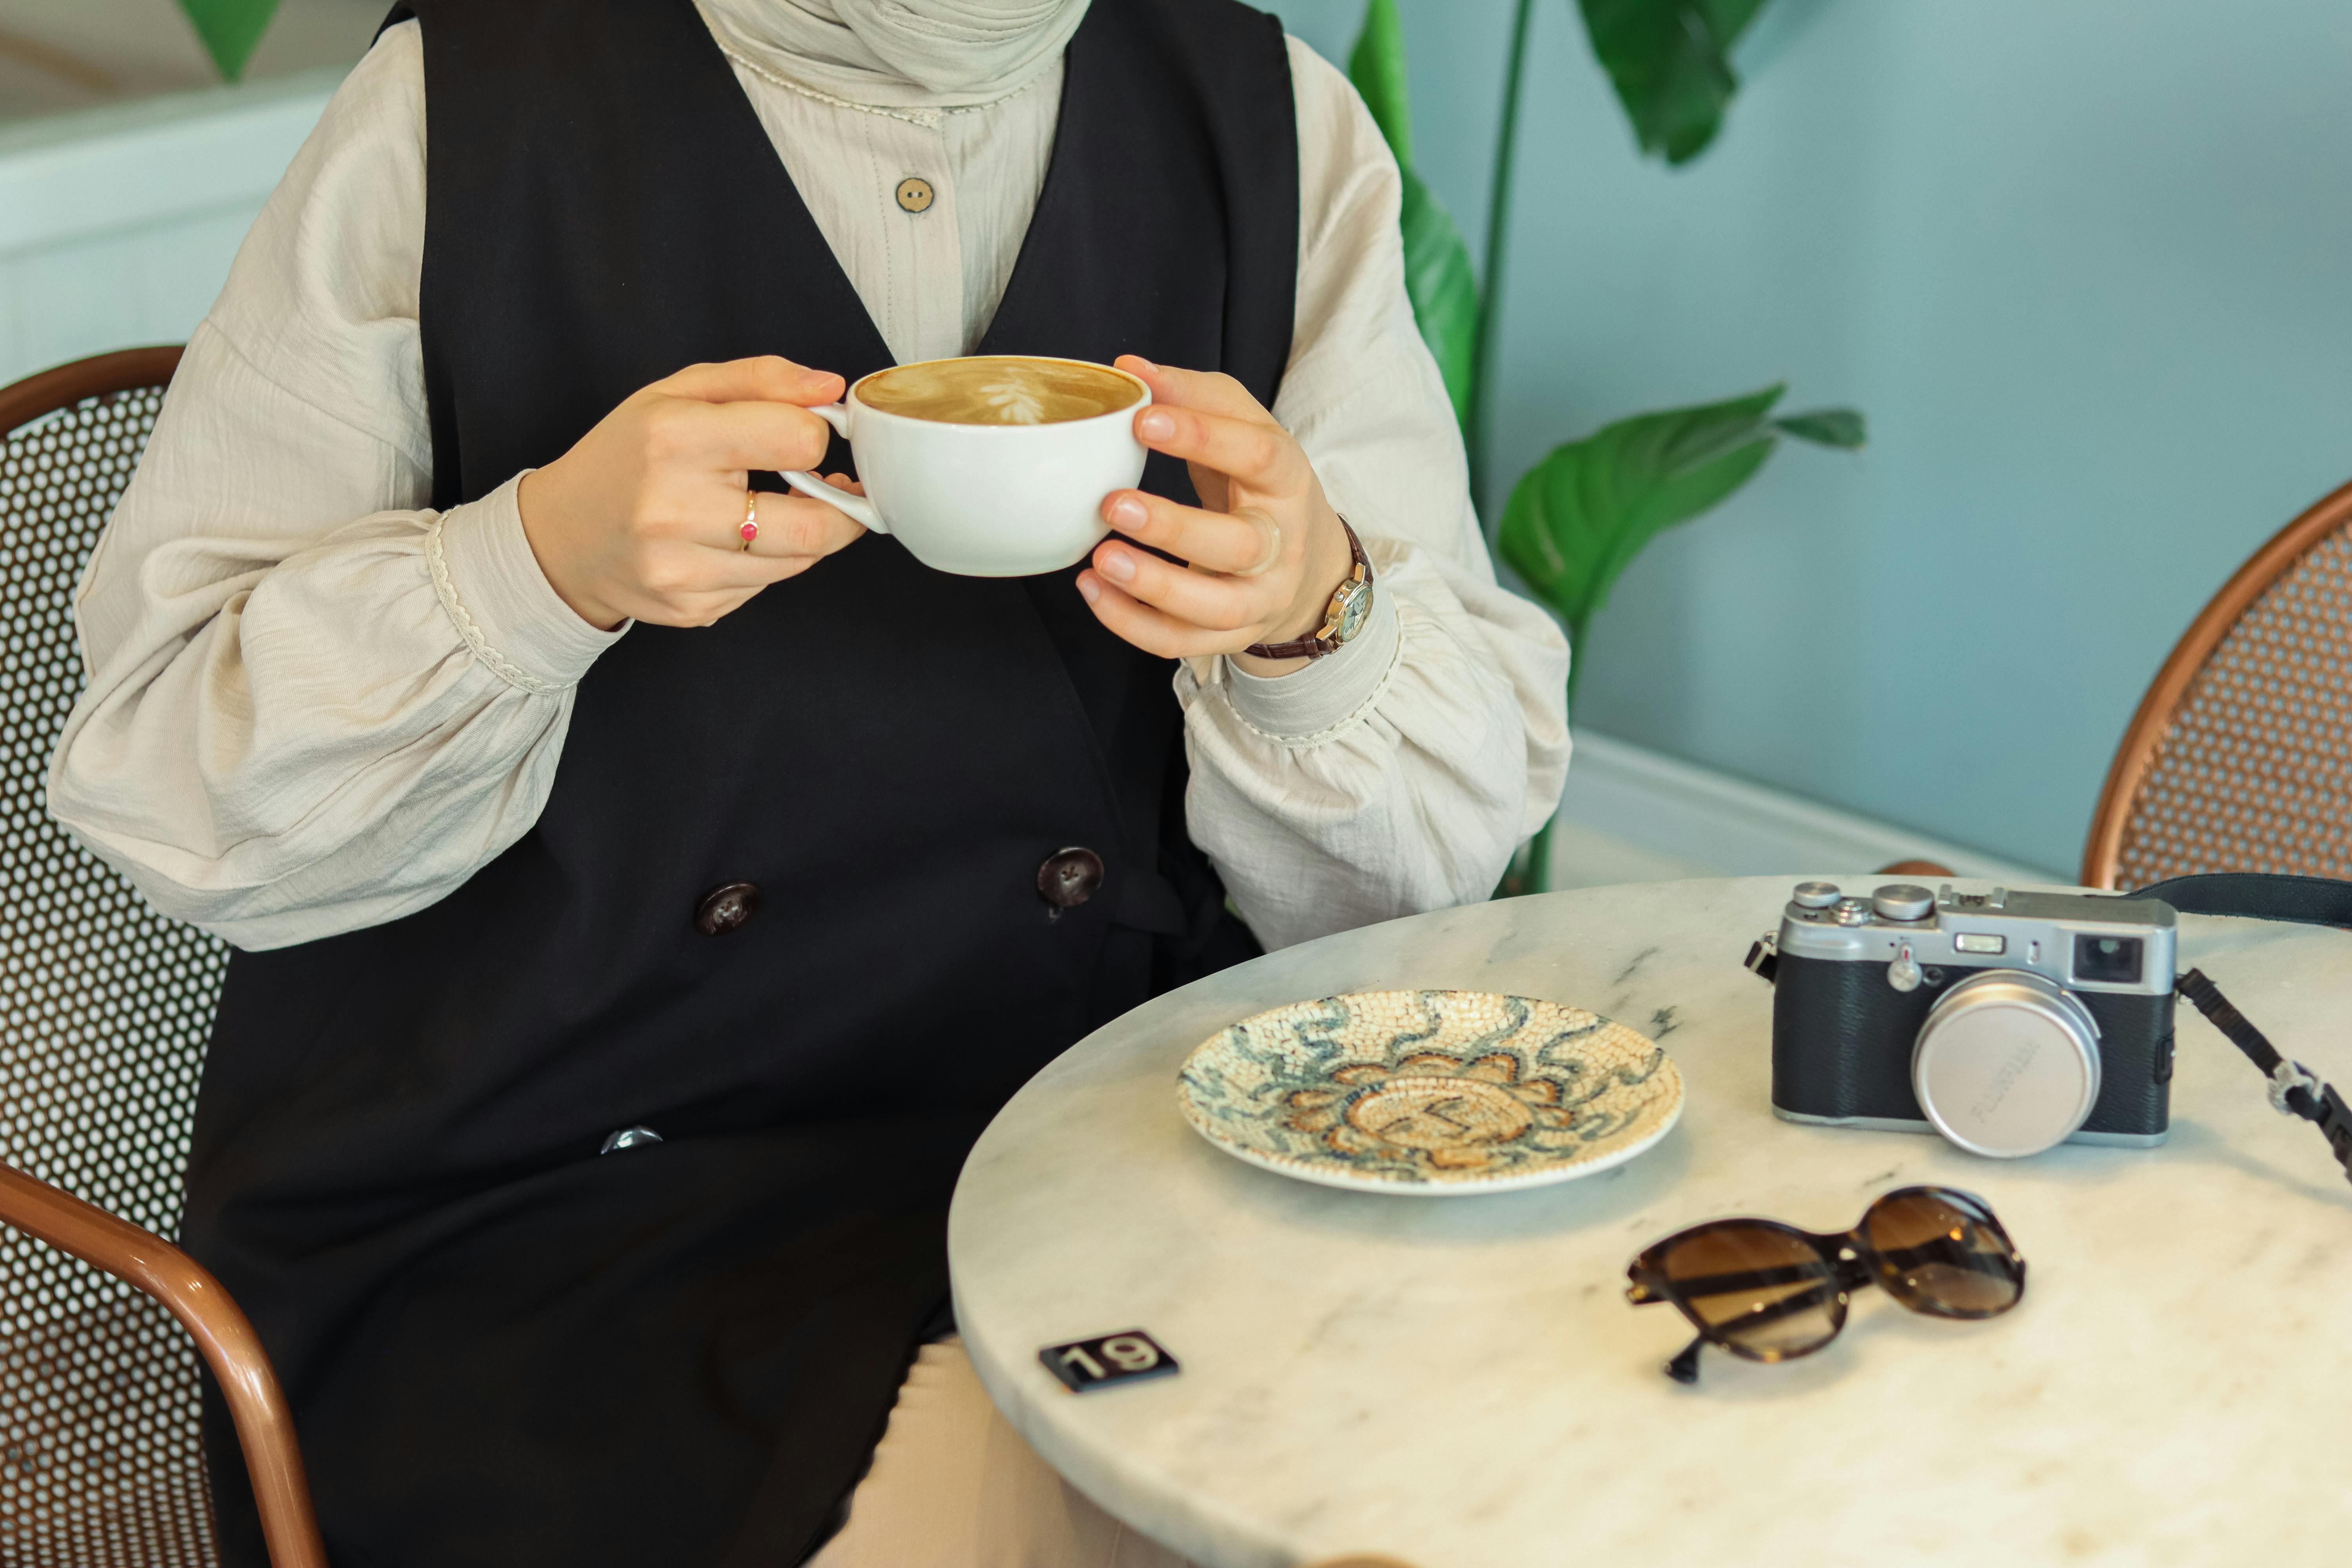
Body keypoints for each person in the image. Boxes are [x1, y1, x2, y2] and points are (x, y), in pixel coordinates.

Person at [47, 0, 1570, 1563]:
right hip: (552, 1230)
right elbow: (178, 788)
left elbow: (1423, 877)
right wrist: (536, 565)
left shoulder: (1271, 121)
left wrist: (1318, 611)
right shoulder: (462, 92)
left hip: (1108, 1152)